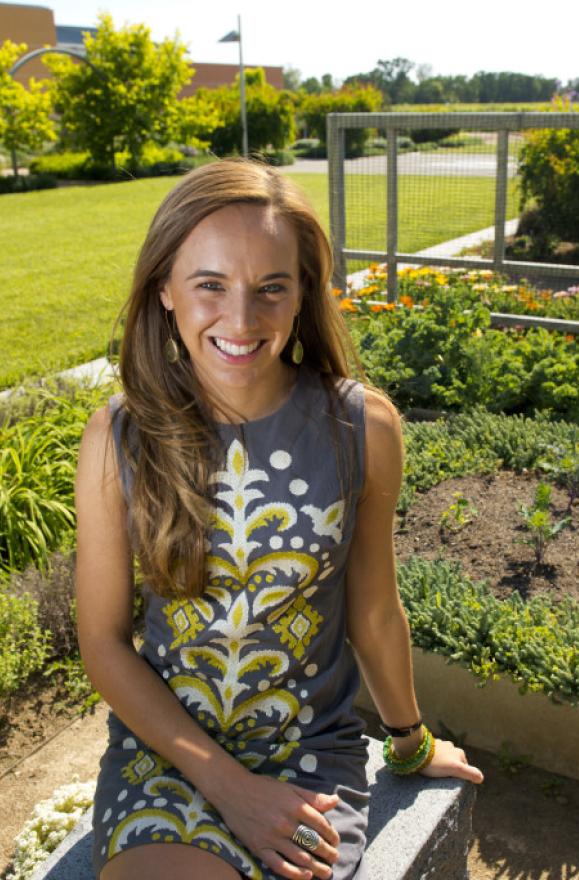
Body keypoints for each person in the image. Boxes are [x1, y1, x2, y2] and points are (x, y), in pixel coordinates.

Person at [75, 158, 483, 880]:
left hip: (308, 752)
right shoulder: (119, 437)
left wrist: (410, 742)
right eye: (210, 284)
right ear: (164, 288)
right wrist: (229, 787)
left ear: (304, 295)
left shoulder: (361, 428)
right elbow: (104, 643)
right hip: (169, 752)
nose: (241, 319)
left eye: (271, 287)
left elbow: (374, 611)